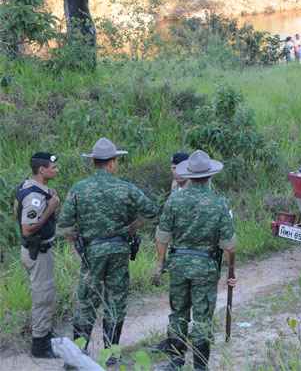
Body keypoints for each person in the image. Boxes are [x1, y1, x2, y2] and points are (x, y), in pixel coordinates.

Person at [57, 137, 158, 364]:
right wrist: (132, 227)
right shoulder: (125, 187)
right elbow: (152, 211)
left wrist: (77, 240)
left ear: (94, 162)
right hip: (119, 249)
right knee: (116, 300)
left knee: (86, 300)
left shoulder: (79, 188)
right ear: (112, 163)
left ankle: (77, 356)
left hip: (92, 251)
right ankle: (111, 355)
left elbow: (64, 224)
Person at [153, 150, 236, 371]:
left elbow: (162, 237)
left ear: (188, 175)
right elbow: (229, 245)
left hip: (178, 264)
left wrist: (160, 264)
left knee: (178, 313)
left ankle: (175, 362)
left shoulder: (175, 200)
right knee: (202, 317)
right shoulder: (218, 203)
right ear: (210, 176)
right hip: (206, 267)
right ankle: (200, 366)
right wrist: (230, 272)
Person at [15, 152, 60, 358]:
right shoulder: (34, 195)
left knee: (46, 294)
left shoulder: (31, 186)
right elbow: (28, 228)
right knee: (43, 297)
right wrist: (50, 209)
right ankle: (40, 346)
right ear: (42, 170)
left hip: (37, 250)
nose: (56, 169)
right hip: (37, 251)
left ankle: (45, 334)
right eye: (53, 167)